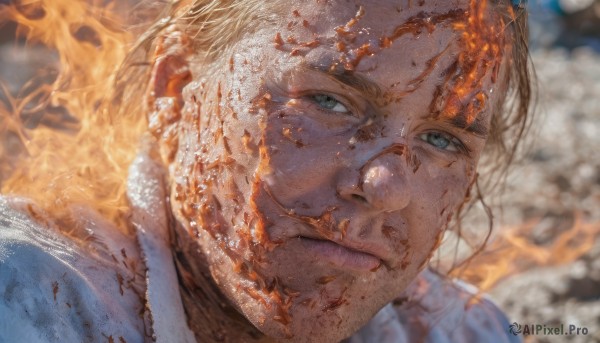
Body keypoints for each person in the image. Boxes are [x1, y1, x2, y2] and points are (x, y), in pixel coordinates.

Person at [0, 0, 531, 342]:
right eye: (330, 101)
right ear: (173, 90)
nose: (387, 187)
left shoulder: (463, 331)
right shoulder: (28, 300)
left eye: (442, 139)